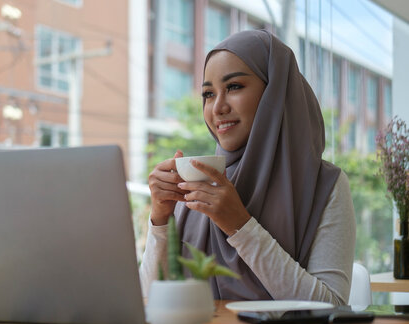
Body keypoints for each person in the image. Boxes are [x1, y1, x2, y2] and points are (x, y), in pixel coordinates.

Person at [139, 30, 356, 305]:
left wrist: (239, 225)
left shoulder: (325, 185)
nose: (217, 107)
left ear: (274, 94)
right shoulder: (197, 178)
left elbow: (331, 306)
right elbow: (148, 300)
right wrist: (160, 220)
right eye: (208, 94)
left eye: (234, 87)